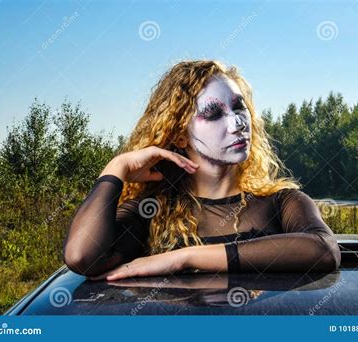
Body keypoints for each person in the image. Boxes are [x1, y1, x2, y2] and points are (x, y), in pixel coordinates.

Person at [62, 60, 341, 281]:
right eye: (214, 114)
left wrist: (184, 257)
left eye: (238, 107)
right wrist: (117, 167)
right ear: (180, 136)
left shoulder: (282, 202)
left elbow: (323, 250)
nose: (237, 124)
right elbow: (81, 257)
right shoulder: (152, 210)